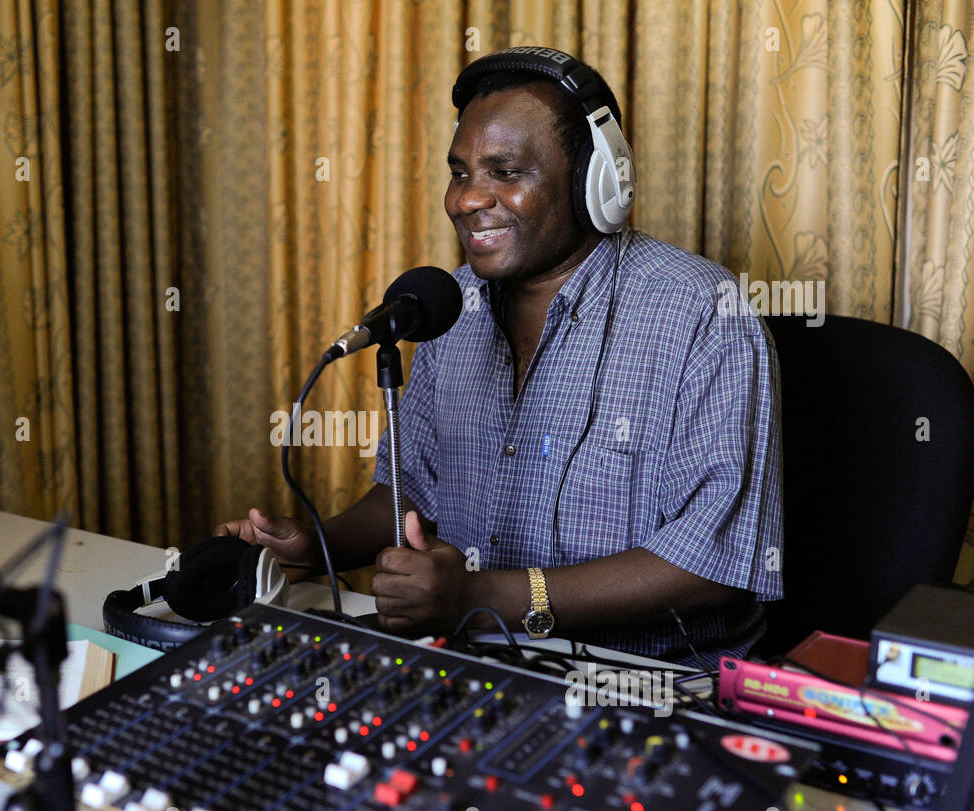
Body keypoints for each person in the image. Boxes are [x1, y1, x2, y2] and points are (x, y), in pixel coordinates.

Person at [216, 48, 782, 665]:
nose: (466, 200)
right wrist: (317, 545)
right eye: (460, 173)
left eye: (505, 173)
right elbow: (412, 493)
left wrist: (482, 595)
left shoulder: (702, 313)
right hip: (472, 661)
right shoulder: (447, 306)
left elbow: (715, 565)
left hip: (643, 686)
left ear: (597, 183)